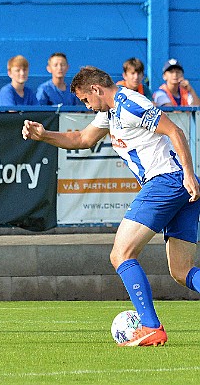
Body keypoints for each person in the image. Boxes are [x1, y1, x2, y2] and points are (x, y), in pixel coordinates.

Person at [22, 66, 200, 347]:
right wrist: (43, 135)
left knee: (121, 254)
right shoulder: (109, 113)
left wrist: (188, 173)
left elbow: (175, 130)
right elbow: (81, 139)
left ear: (96, 90)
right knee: (181, 271)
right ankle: (150, 325)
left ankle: (151, 326)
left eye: (85, 100)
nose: (87, 105)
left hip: (167, 181)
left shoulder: (130, 104)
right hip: (177, 185)